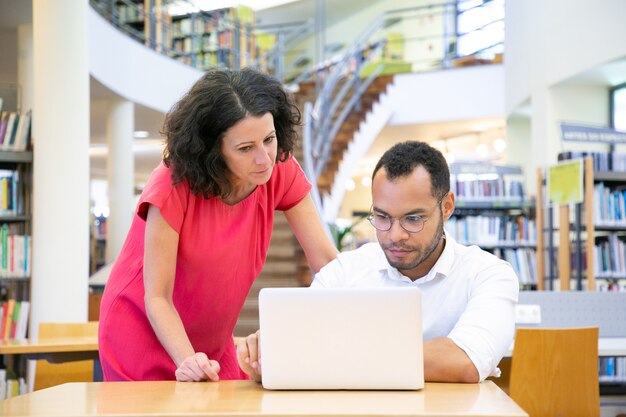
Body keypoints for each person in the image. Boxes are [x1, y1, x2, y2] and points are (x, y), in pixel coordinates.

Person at [98, 68, 338, 382]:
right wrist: (188, 361)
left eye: (268, 139)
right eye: (245, 148)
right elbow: (157, 297)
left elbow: (326, 261)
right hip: (142, 334)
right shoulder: (173, 183)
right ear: (213, 151)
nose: (264, 158)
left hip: (212, 342)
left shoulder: (279, 167)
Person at [238, 140, 519, 383]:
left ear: (446, 207)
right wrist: (271, 357)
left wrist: (333, 355)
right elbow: (296, 349)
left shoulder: (488, 274)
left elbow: (465, 362)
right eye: (383, 217)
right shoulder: (345, 272)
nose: (395, 235)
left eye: (413, 219)